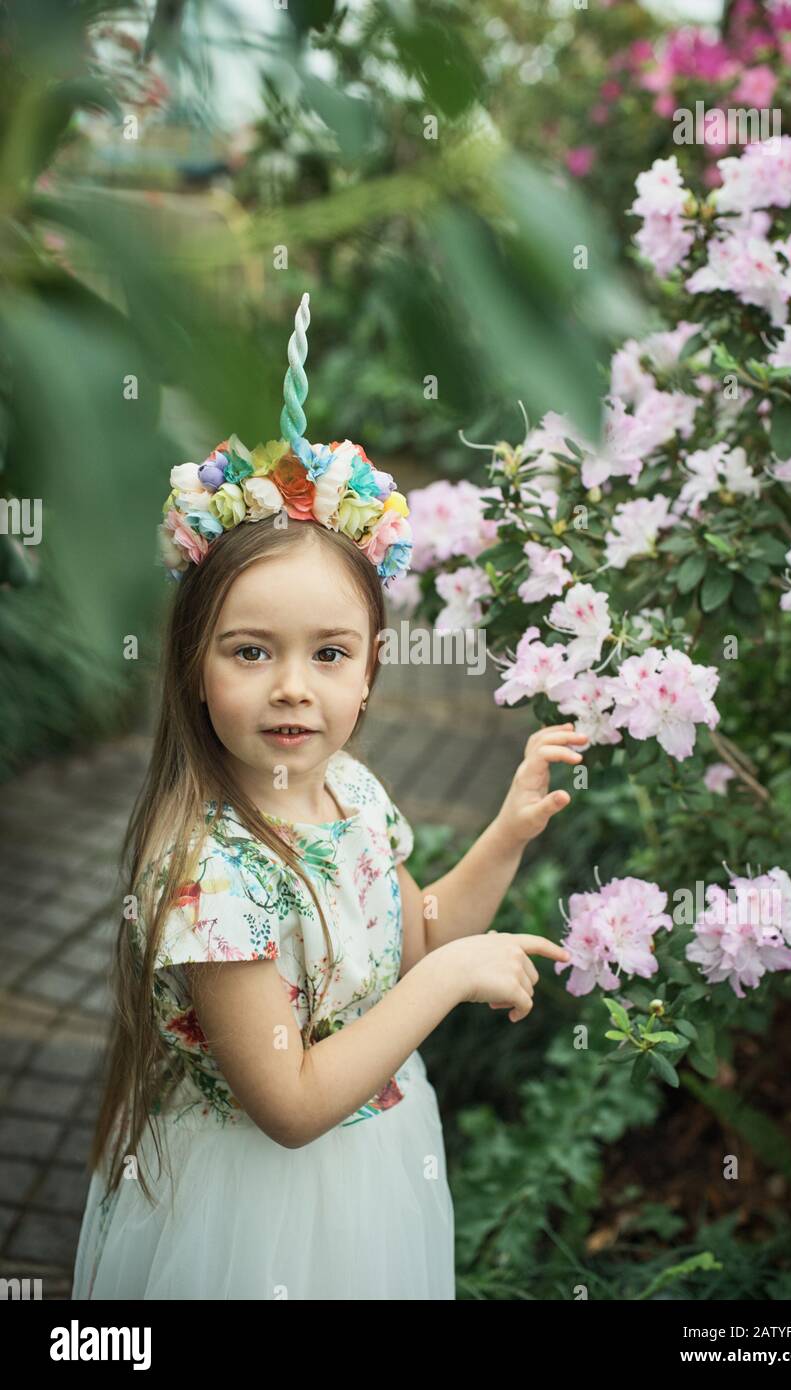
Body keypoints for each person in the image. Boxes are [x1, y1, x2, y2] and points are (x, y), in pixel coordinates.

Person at [71, 295, 587, 1300]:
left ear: (370, 671)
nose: (293, 685)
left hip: (376, 1169)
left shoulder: (349, 789)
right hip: (255, 1211)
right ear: (193, 665)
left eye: (329, 653)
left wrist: (508, 830)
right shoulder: (208, 877)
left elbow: (421, 933)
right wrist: (446, 986)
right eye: (251, 651)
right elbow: (294, 1102)